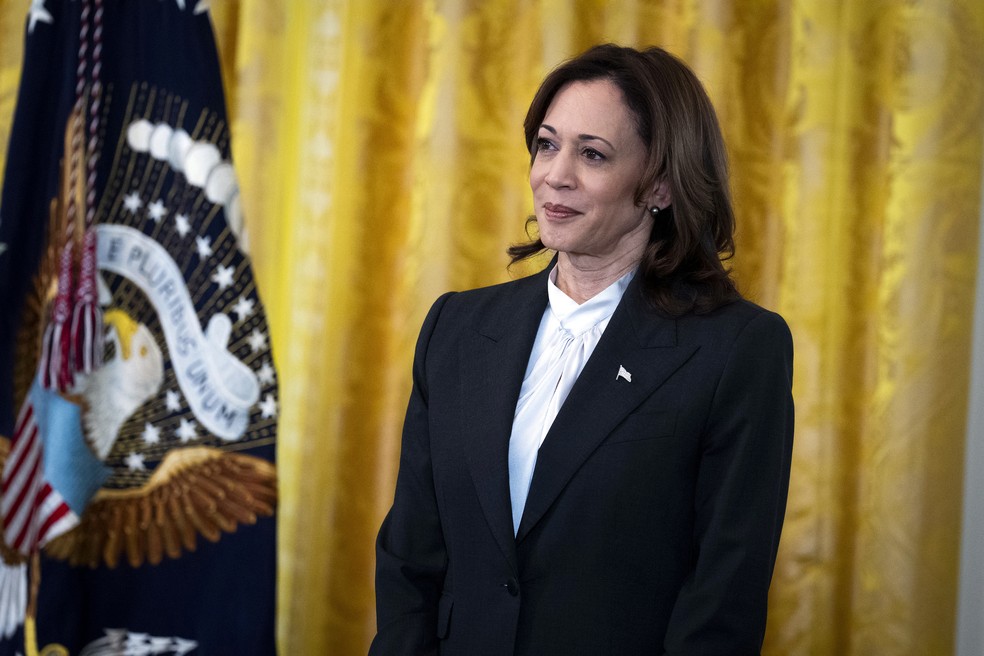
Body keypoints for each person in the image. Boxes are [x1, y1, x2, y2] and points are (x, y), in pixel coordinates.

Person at [370, 43, 794, 656]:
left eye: (592, 154)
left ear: (661, 187)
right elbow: (410, 557)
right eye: (547, 144)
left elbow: (723, 598)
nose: (555, 175)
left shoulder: (736, 349)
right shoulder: (456, 327)